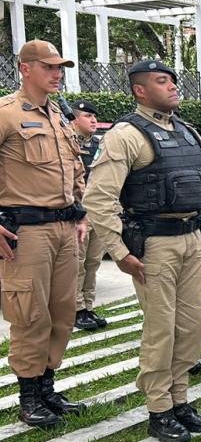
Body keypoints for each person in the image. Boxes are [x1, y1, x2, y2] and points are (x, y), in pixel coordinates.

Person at [84, 60, 201, 442]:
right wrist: (120, 251)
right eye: (162, 81)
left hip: (190, 240)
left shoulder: (188, 131)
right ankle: (160, 409)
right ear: (140, 90)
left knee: (192, 326)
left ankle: (180, 399)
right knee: (162, 329)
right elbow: (98, 197)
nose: (173, 85)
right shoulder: (125, 135)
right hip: (153, 245)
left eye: (173, 79)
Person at [0, 39, 89, 428]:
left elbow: (75, 169)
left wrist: (80, 212)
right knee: (30, 314)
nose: (57, 74)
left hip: (65, 227)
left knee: (62, 312)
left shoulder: (58, 117)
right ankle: (29, 395)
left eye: (60, 68)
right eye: (50, 67)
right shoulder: (6, 113)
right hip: (27, 232)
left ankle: (47, 384)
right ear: (26, 68)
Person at [71, 98, 109, 331]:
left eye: (95, 116)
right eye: (87, 116)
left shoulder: (99, 145)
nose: (93, 120)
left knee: (93, 262)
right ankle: (76, 309)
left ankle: (88, 305)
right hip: (78, 212)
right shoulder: (67, 142)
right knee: (78, 263)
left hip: (98, 211)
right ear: (74, 120)